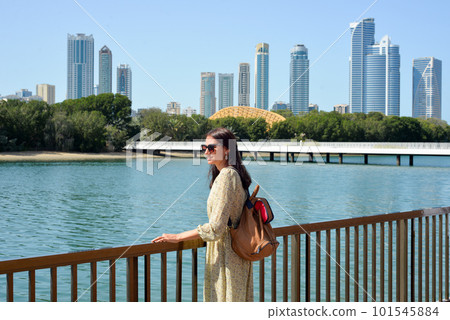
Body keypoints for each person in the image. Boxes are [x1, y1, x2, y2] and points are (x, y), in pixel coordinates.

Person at [152, 127, 253, 302]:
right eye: (204, 147)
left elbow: (215, 228)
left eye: (211, 148)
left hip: (226, 255)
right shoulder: (234, 174)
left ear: (227, 149)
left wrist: (178, 237)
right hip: (238, 254)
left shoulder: (227, 176)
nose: (206, 151)